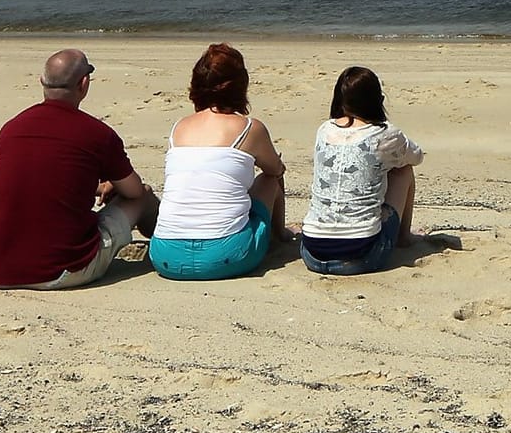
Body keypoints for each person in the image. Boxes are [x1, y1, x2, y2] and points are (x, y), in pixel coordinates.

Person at [0, 49, 159, 290]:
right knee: (144, 196)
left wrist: (97, 186)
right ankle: (162, 245)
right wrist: (115, 184)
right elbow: (134, 191)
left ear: (42, 82)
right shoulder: (97, 133)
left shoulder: (11, 129)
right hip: (63, 268)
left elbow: (44, 180)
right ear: (84, 84)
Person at [147, 43, 287, 280]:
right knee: (270, 178)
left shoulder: (179, 127)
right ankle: (280, 234)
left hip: (165, 255)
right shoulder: (249, 128)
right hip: (226, 256)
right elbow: (275, 168)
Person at [300, 67, 425, 276]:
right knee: (403, 170)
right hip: (362, 255)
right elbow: (417, 156)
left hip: (312, 251)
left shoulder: (324, 130)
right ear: (378, 99)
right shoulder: (384, 134)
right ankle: (404, 237)